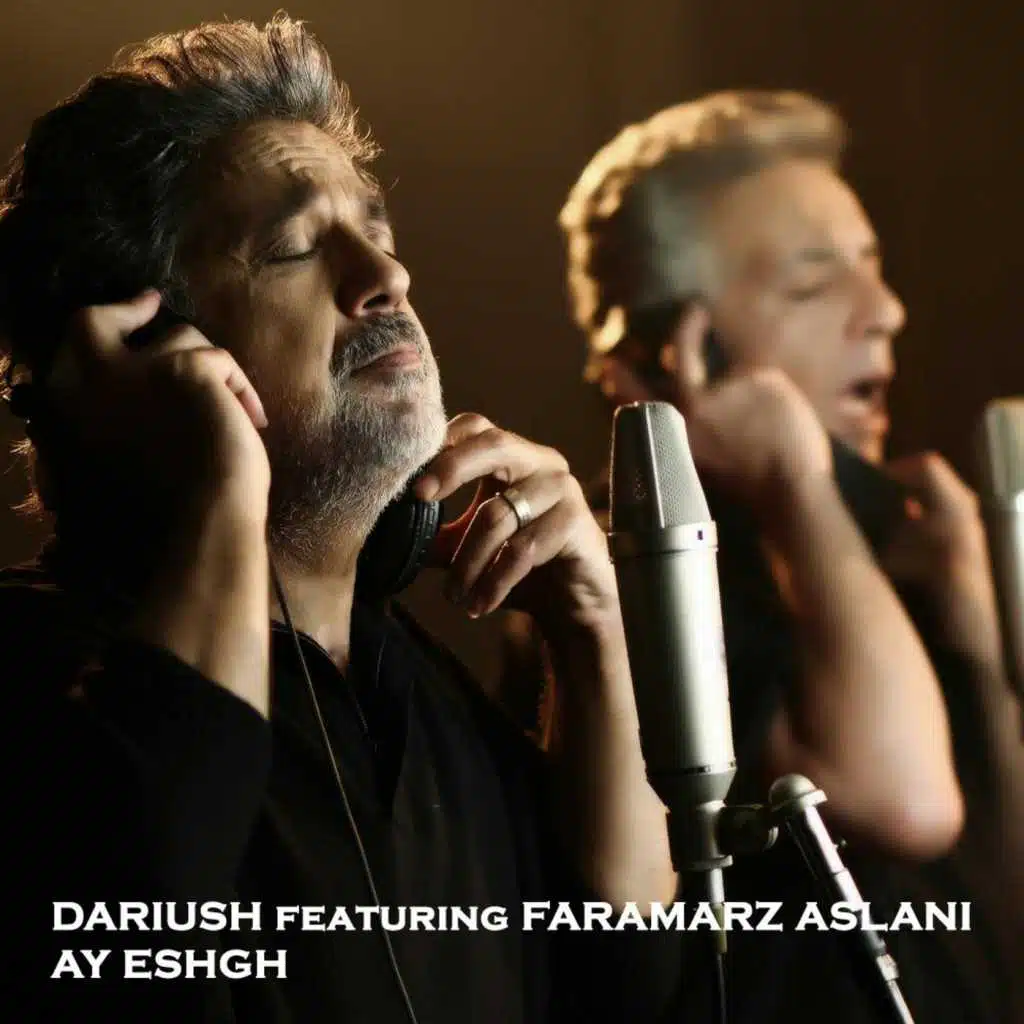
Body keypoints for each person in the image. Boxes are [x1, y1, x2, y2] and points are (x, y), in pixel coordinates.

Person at [0, 17, 687, 1022]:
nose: (386, 277)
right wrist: (220, 479)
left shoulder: (419, 688)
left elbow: (633, 983)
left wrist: (592, 636)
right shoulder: (34, 665)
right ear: (150, 344)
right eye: (293, 249)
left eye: (380, 234)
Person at [502, 91, 1024, 1021]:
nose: (886, 311)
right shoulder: (616, 576)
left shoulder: (887, 548)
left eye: (873, 268)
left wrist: (981, 643)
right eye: (815, 285)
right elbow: (907, 805)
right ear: (683, 349)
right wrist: (796, 483)